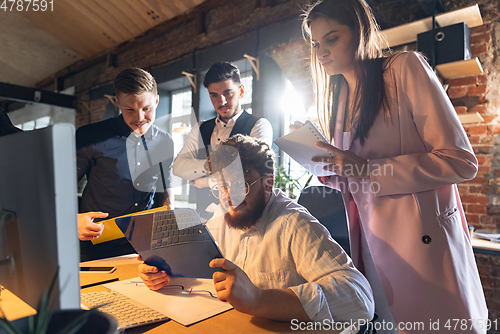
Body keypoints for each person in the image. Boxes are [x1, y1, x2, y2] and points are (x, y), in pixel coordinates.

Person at [299, 0, 488, 333]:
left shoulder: (403, 69)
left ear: (360, 32)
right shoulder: (341, 96)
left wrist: (366, 169)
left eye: (331, 39)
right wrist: (334, 171)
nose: (321, 52)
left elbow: (460, 161)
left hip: (420, 248)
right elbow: (359, 178)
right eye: (316, 44)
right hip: (371, 250)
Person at [139, 134, 374, 323]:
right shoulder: (220, 221)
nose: (229, 198)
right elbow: (196, 273)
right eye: (221, 187)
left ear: (268, 182)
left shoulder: (294, 224)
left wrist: (259, 299)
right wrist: (163, 275)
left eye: (239, 184)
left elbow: (361, 299)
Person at [77, 67, 174, 261]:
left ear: (156, 101)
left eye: (147, 109)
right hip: (96, 244)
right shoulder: (90, 136)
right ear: (118, 103)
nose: (139, 118)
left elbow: (164, 191)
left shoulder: (165, 142)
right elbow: (58, 189)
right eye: (130, 110)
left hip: (144, 246)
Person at [173, 61, 273, 219]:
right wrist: (215, 164)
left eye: (228, 93)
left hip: (244, 214)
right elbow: (178, 167)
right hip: (205, 217)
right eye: (214, 95)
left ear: (241, 91)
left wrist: (205, 182)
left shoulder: (259, 125)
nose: (222, 101)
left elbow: (251, 170)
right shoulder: (200, 128)